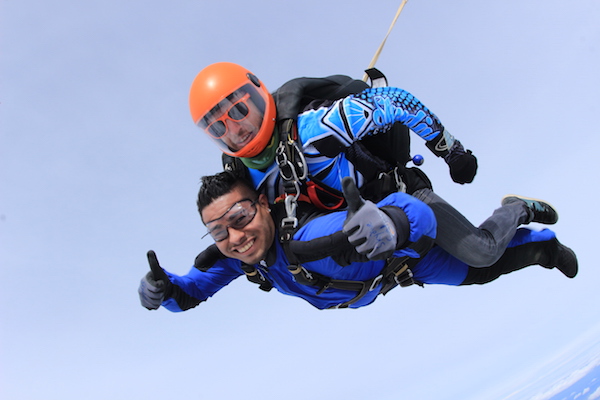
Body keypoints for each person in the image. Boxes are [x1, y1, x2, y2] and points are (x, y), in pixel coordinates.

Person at [187, 62, 556, 268]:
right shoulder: (240, 172)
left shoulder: (315, 129)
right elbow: (238, 217)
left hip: (400, 197)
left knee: (480, 253)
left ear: (258, 93)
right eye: (218, 126)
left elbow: (396, 102)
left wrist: (453, 153)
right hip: (360, 226)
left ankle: (517, 209)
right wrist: (212, 251)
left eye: (239, 109)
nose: (236, 127)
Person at [138, 171, 577, 311]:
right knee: (487, 273)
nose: (234, 237)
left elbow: (415, 213)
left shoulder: (308, 239)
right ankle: (543, 247)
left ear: (264, 206)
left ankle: (518, 209)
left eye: (241, 217)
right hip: (399, 267)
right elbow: (190, 293)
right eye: (218, 231)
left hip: (410, 239)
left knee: (484, 255)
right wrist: (160, 291)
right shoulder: (243, 259)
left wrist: (392, 224)